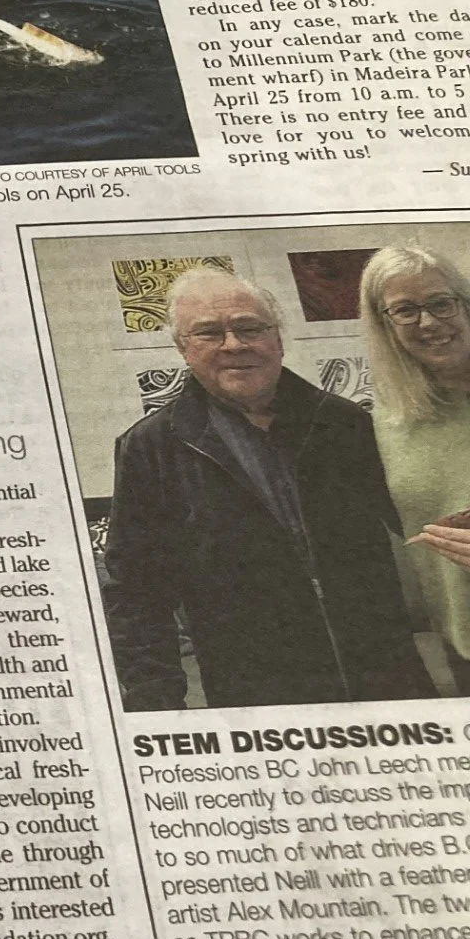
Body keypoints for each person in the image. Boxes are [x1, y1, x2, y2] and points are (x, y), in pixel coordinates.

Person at [102, 266, 433, 710]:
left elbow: (421, 521)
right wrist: (156, 706)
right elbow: (137, 591)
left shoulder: (343, 423)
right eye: (209, 333)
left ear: (277, 339)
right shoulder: (150, 449)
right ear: (183, 350)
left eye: (249, 327)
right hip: (257, 694)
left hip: (387, 678)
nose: (234, 345)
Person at [358, 245, 470, 691]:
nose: (428, 323)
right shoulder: (384, 423)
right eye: (405, 310)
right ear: (383, 325)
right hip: (461, 645)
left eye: (441, 303)